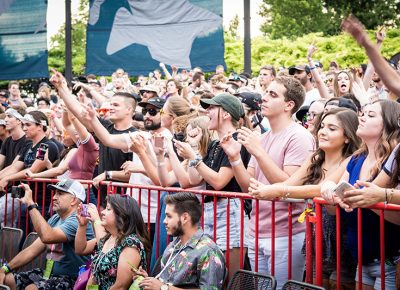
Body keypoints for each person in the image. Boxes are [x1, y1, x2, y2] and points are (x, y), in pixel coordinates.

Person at [249, 108, 361, 289]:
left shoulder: (351, 160)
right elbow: (292, 183)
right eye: (322, 126)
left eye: (332, 128)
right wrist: (268, 189)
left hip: (341, 237)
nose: (323, 131)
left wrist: (275, 191)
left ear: (347, 136)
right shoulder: (315, 157)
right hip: (317, 235)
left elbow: (317, 190)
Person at [220, 76, 314, 289]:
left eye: (273, 94)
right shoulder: (262, 138)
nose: (264, 98)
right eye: (266, 92)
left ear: (289, 105)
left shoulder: (299, 136)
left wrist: (259, 151)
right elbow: (248, 186)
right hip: (257, 231)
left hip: (286, 234)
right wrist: (235, 158)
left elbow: (288, 187)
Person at [322, 100, 400, 290]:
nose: (362, 117)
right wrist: (329, 191)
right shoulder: (357, 158)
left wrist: (372, 200)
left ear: (388, 123)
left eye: (371, 115)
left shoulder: (394, 160)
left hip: (388, 260)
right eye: (363, 113)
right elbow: (335, 193)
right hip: (361, 258)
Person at [174, 93, 250, 281]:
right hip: (211, 211)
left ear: (225, 114)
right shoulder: (215, 143)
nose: (207, 111)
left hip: (231, 211)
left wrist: (193, 157)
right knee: (213, 276)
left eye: (212, 107)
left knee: (233, 278)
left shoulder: (236, 140)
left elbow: (218, 182)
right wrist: (194, 149)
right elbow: (194, 180)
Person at [0, 179, 94, 289]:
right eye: (55, 193)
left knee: (32, 288)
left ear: (73, 200)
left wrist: (31, 204)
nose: (54, 197)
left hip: (74, 280)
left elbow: (47, 237)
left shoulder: (78, 220)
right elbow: (32, 250)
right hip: (50, 275)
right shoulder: (55, 218)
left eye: (60, 194)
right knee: (7, 279)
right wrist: (5, 269)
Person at [136, 192, 226, 290]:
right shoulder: (174, 245)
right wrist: (149, 281)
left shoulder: (209, 251)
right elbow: (166, 282)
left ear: (185, 218)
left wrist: (163, 288)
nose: (164, 221)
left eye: (169, 216)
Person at [75, 194, 151, 290]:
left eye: (108, 209)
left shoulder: (130, 244)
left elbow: (120, 287)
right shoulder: (108, 237)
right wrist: (82, 225)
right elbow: (80, 249)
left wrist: (96, 220)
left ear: (122, 214)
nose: (102, 212)